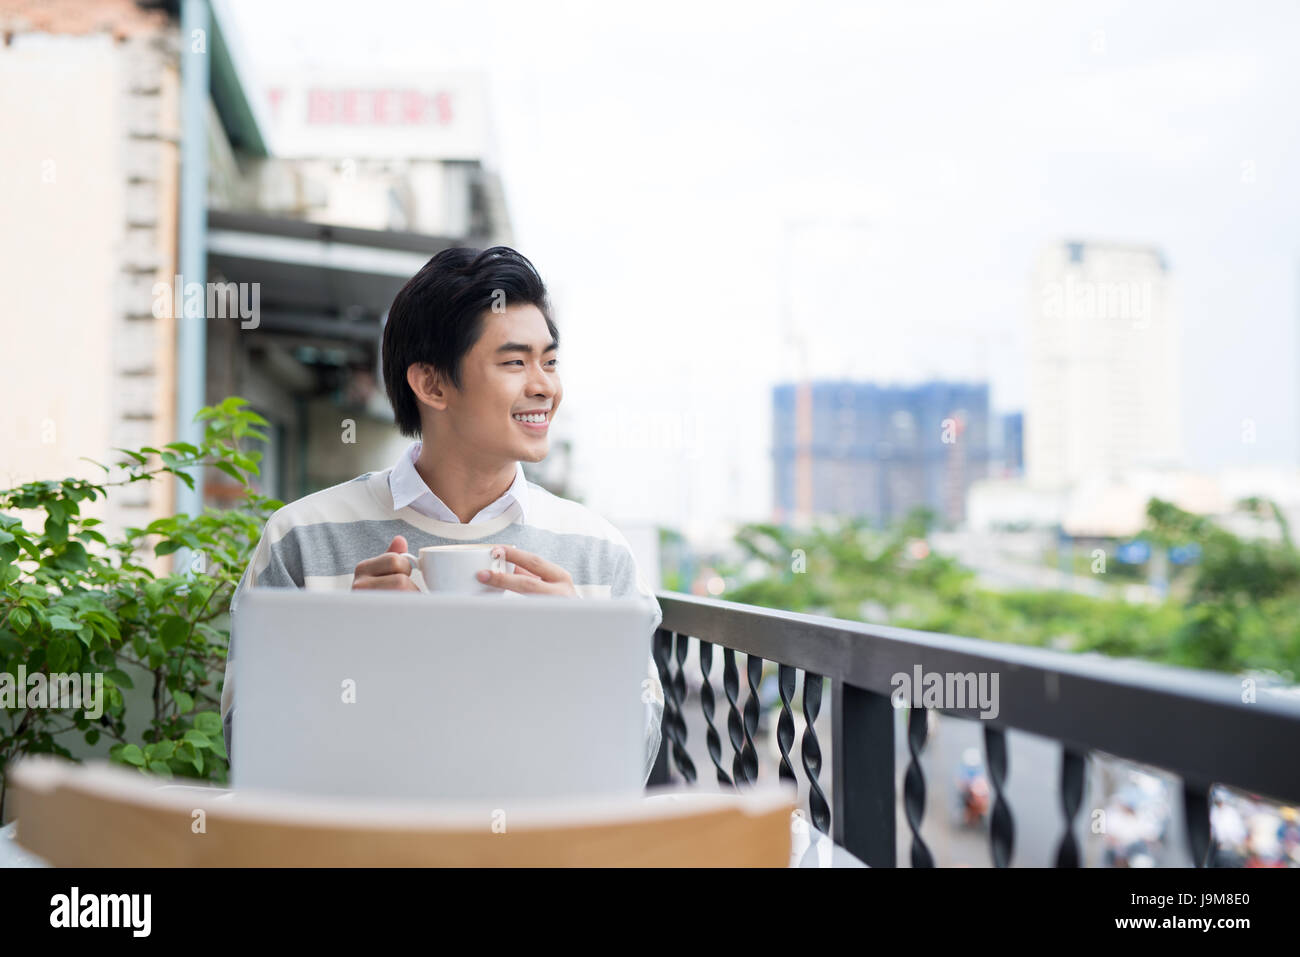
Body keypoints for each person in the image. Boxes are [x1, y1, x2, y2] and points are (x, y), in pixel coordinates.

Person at [219, 246, 665, 783]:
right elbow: (251, 754)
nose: (545, 385)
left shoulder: (599, 555)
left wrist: (581, 651)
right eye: (515, 362)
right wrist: (346, 652)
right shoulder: (303, 538)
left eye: (549, 361)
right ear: (432, 384)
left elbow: (634, 765)